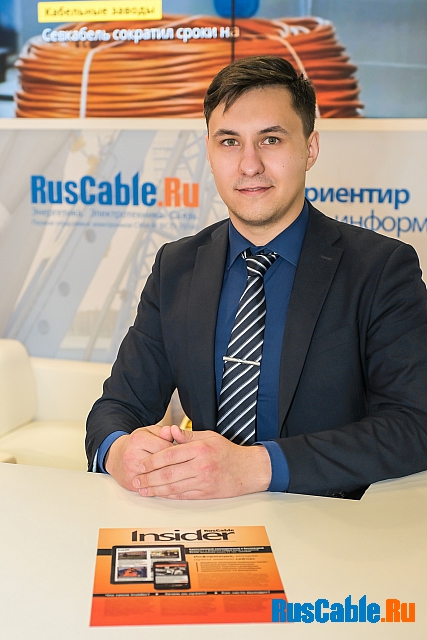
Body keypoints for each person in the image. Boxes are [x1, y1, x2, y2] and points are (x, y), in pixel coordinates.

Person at [86, 55, 427, 500]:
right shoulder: (177, 266)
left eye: (270, 139)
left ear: (310, 149)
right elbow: (117, 407)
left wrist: (255, 467)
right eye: (229, 141)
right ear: (210, 153)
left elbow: (414, 423)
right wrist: (119, 451)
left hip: (329, 521)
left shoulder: (380, 268)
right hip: (204, 519)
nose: (249, 165)